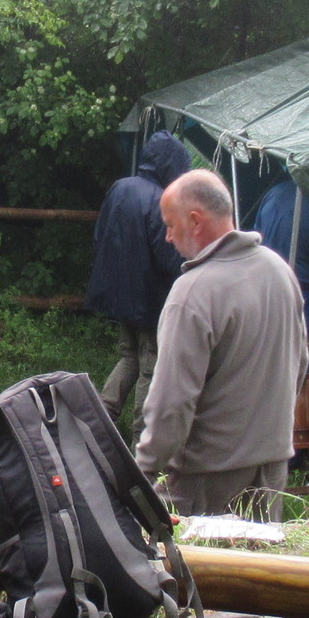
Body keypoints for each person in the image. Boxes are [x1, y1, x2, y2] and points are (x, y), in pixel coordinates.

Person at [137, 168, 309, 517]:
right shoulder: (279, 271)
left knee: (186, 554)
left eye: (170, 225)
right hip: (271, 469)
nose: (167, 237)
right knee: (259, 553)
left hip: (207, 476)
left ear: (195, 221)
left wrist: (142, 470)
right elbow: (300, 362)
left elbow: (172, 401)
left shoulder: (193, 292)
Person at [82, 130, 192, 429]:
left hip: (119, 293)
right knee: (150, 368)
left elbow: (99, 235)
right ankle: (141, 436)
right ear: (171, 164)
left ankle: (101, 419)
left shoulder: (120, 187)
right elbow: (167, 257)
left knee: (129, 356)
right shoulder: (161, 201)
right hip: (148, 298)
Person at [251, 176, 309, 348]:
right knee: (308, 358)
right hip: (307, 300)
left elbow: (255, 246)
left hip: (268, 293)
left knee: (274, 353)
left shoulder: (273, 194)